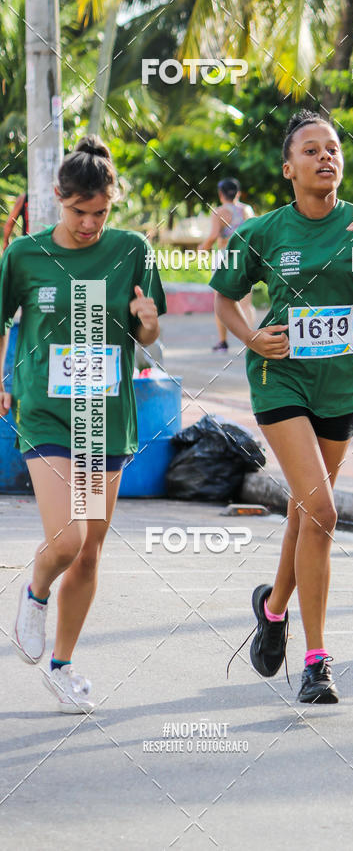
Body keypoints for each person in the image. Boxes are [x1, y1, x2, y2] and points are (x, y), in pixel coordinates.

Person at [211, 110, 353, 703]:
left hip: (342, 387)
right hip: (280, 381)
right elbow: (224, 300)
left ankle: (273, 609)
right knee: (323, 510)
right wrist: (252, 337)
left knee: (307, 512)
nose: (325, 156)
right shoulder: (263, 232)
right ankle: (317, 661)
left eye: (333, 148)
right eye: (311, 150)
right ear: (288, 169)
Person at [2, 135, 166, 713]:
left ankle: (62, 666)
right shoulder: (25, 255)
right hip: (46, 411)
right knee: (67, 539)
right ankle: (35, 591)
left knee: (90, 551)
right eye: (79, 212)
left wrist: (147, 322)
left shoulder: (132, 250)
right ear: (57, 197)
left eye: (100, 212)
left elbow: (147, 334)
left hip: (104, 417)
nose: (91, 224)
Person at [198, 177, 255, 352]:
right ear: (238, 193)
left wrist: (202, 248)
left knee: (221, 300)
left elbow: (214, 235)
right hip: (245, 257)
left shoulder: (219, 212)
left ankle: (223, 342)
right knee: (246, 303)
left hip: (225, 257)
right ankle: (251, 342)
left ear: (221, 194)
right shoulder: (247, 210)